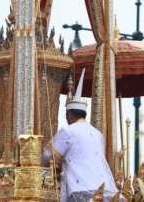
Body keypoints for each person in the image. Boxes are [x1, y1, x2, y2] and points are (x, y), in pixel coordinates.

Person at [41, 69, 119, 202]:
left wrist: (40, 170)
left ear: (70, 115)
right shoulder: (97, 134)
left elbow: (48, 154)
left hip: (80, 191)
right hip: (105, 190)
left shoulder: (68, 131)